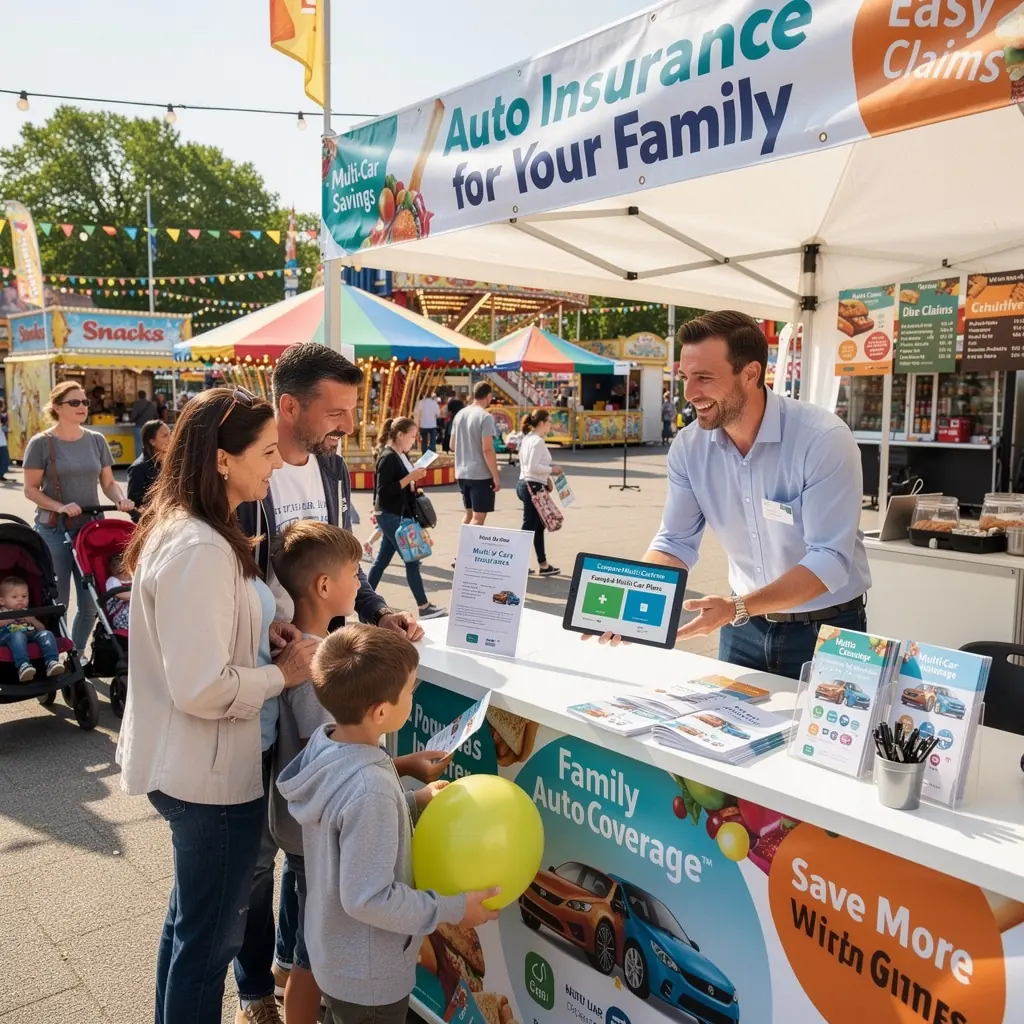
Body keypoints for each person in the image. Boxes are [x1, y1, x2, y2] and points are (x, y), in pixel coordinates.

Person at [115, 387, 319, 1024]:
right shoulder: (199, 546)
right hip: (206, 774)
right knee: (209, 943)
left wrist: (265, 635)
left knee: (190, 925)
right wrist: (281, 676)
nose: (276, 464)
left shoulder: (203, 531)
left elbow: (214, 632)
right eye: (263, 452)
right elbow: (200, 686)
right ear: (223, 460)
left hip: (201, 765)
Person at [235, 343, 425, 1018]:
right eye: (335, 411)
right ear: (291, 406)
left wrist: (378, 611)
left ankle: (293, 967)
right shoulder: (243, 475)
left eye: (351, 409)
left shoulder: (334, 466)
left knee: (312, 850)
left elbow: (349, 558)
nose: (346, 423)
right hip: (265, 681)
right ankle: (255, 987)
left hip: (320, 661)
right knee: (260, 855)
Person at [592, 310, 870, 679]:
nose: (690, 394)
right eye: (686, 378)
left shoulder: (822, 439)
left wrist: (737, 607)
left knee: (825, 736)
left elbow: (829, 560)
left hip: (827, 630)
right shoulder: (689, 447)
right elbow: (675, 542)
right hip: (742, 631)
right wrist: (632, 602)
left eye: (705, 378)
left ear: (751, 373)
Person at [277, 625, 500, 1024]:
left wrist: (412, 801)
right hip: (370, 976)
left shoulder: (329, 745)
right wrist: (453, 908)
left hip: (339, 955)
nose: (414, 696)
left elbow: (344, 827)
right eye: (412, 689)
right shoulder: (371, 789)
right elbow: (369, 898)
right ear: (381, 711)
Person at [23, 381, 134, 652]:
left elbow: (108, 482)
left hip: (91, 530)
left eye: (84, 402)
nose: (82, 407)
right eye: (74, 402)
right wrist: (58, 506)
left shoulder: (96, 440)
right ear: (57, 408)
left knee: (92, 603)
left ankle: (77, 654)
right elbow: (30, 489)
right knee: (57, 601)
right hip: (54, 529)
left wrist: (119, 498)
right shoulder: (41, 443)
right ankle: (50, 653)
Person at [369, 418, 446, 620]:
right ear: (400, 435)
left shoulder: (400, 455)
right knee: (412, 560)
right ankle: (424, 606)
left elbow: (397, 486)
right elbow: (383, 491)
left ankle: (364, 603)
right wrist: (411, 478)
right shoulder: (388, 457)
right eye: (412, 436)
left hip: (395, 514)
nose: (414, 441)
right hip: (391, 514)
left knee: (381, 562)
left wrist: (413, 481)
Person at [451, 381, 501, 526]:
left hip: (461, 471)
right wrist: (496, 476)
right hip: (480, 474)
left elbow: (452, 445)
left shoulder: (460, 414)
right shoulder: (485, 417)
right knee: (478, 518)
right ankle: (469, 548)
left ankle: (463, 546)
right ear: (489, 396)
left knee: (469, 514)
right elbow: (487, 449)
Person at [517, 410, 560, 576]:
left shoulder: (527, 439)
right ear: (542, 423)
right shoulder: (537, 441)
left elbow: (528, 466)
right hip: (532, 487)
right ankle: (518, 563)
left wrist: (546, 477)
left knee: (538, 525)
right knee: (529, 526)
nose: (550, 425)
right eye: (549, 421)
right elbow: (533, 467)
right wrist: (552, 469)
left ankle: (543, 564)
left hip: (526, 484)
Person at [0, 575, 65, 680]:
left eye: (24, 596)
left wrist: (31, 620)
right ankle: (23, 665)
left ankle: (51, 662)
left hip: (29, 634)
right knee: (18, 636)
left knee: (47, 634)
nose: (20, 600)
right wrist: (11, 619)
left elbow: (41, 628)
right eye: (15, 597)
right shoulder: (2, 612)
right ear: (2, 601)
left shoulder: (28, 612)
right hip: (7, 637)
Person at [126, 419, 171, 522]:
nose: (171, 438)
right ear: (152, 441)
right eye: (165, 436)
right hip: (153, 524)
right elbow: (134, 505)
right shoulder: (138, 468)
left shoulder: (173, 462)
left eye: (170, 434)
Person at [103, 553, 132, 632]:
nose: (119, 566)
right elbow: (120, 595)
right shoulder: (113, 580)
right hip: (119, 614)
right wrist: (136, 596)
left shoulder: (134, 578)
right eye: (114, 565)